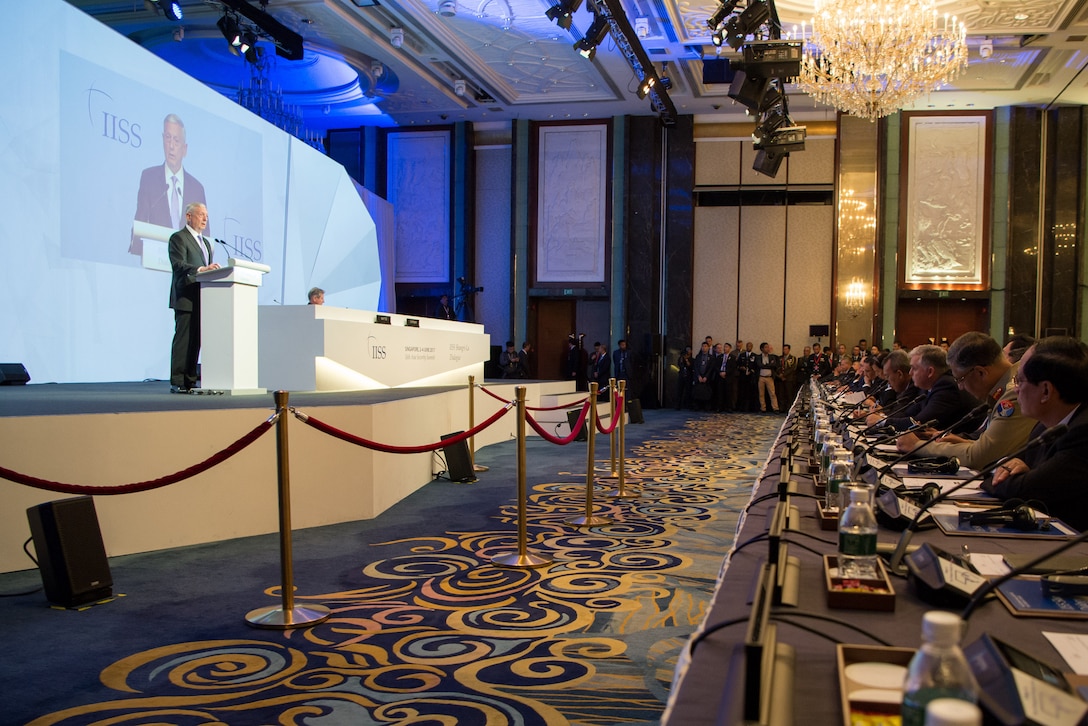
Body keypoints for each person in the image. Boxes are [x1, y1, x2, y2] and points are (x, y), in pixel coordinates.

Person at [985, 337, 1088, 530]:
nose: (1015, 389)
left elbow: (1025, 490)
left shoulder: (1083, 433)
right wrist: (1006, 471)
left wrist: (1008, 475)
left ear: (1046, 391)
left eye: (1019, 380)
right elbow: (995, 468)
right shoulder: (1045, 424)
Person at [895, 332, 1035, 469]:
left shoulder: (1014, 394)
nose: (960, 387)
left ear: (981, 372)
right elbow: (995, 448)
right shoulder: (1003, 389)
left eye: (960, 379)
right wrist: (965, 442)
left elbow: (980, 458)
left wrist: (918, 446)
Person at [132, 114, 207, 256]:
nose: (171, 146)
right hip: (153, 265)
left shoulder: (197, 189)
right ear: (162, 141)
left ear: (184, 149)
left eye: (176, 141)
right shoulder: (149, 178)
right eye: (168, 138)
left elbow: (205, 238)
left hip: (188, 271)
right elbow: (140, 223)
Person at [168, 202, 219, 393]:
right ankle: (178, 380)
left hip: (202, 298)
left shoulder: (206, 243)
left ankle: (190, 379)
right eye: (201, 215)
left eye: (206, 215)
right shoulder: (178, 238)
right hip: (185, 296)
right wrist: (200, 269)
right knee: (184, 339)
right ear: (189, 217)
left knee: (196, 340)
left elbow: (209, 269)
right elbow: (178, 264)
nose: (205, 218)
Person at [868, 344, 978, 432]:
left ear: (930, 371)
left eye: (914, 368)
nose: (910, 373)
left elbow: (919, 423)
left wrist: (881, 422)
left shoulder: (947, 387)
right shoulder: (929, 386)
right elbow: (908, 414)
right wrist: (882, 417)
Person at [755, 342, 779, 413]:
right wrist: (768, 365)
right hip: (761, 377)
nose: (767, 348)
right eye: (766, 347)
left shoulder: (772, 357)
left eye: (768, 347)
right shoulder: (758, 357)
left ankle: (775, 408)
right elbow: (760, 365)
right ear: (762, 349)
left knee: (772, 393)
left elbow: (774, 365)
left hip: (769, 377)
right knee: (761, 394)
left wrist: (765, 365)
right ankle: (763, 408)